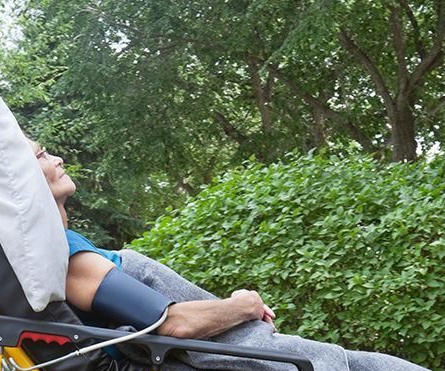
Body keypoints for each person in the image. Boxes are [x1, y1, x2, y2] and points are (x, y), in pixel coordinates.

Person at [32, 141, 273, 338]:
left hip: (248, 346)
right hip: (254, 358)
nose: (58, 159)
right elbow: (174, 323)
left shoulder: (62, 247)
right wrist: (245, 305)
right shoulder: (63, 251)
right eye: (42, 155)